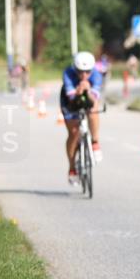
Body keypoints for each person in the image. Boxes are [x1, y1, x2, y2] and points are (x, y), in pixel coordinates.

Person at [61, 51, 104, 183]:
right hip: (70, 102)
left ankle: (95, 142)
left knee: (93, 109)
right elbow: (72, 99)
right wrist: (79, 91)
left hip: (88, 98)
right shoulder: (68, 73)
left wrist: (88, 91)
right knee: (73, 133)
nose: (84, 75)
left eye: (87, 72)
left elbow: (94, 99)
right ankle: (72, 167)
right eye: (80, 71)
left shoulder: (96, 75)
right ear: (75, 68)